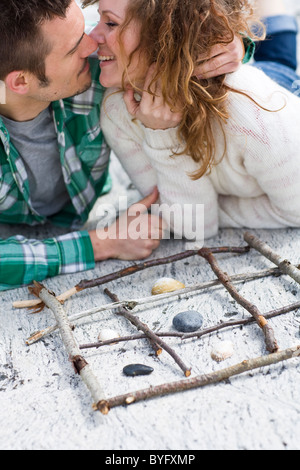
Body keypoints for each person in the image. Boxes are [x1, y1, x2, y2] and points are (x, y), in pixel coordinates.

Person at [0, 0, 248, 291]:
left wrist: (233, 46)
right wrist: (101, 243)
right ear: (20, 81)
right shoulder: (80, 68)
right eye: (73, 49)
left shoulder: (92, 65)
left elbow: (171, 29)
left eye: (83, 30)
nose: (92, 46)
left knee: (280, 67)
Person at [89, 0, 300, 244]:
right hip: (233, 89)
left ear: (163, 36)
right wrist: (161, 134)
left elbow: (296, 210)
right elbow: (195, 226)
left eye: (111, 23)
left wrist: (216, 212)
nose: (92, 35)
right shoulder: (117, 110)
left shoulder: (254, 114)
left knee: (278, 59)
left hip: (282, 97)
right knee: (273, 56)